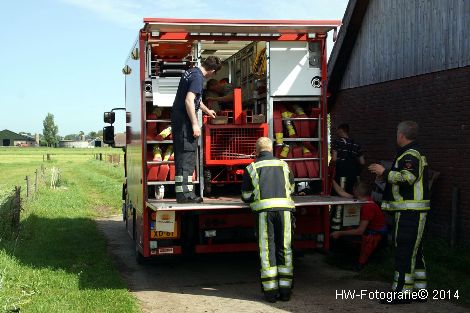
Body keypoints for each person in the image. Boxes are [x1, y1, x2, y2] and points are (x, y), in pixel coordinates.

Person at [369, 120, 429, 304]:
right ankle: (419, 290)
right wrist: (385, 176)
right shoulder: (409, 153)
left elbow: (408, 178)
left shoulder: (410, 155)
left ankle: (402, 292)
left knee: (404, 251)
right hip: (411, 212)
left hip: (409, 212)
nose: (396, 135)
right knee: (414, 251)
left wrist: (385, 172)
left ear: (401, 135)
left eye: (396, 132)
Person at [241, 137, 295, 303]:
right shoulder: (284, 165)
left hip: (264, 213)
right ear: (272, 149)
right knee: (285, 248)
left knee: (267, 251)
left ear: (257, 151)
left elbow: (246, 196)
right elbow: (291, 188)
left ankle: (271, 293)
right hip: (285, 211)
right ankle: (286, 291)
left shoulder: (251, 167)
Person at [171, 56, 221, 203]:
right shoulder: (198, 78)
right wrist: (194, 123)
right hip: (185, 125)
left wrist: (207, 111)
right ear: (212, 70)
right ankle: (185, 195)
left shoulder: (191, 72)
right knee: (186, 158)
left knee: (184, 158)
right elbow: (189, 100)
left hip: (180, 122)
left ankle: (184, 194)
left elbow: (196, 100)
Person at [330, 182, 387, 271]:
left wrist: (339, 233)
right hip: (373, 232)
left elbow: (360, 231)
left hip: (376, 236)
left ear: (356, 191)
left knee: (346, 237)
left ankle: (359, 264)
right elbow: (342, 193)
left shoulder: (368, 206)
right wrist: (331, 179)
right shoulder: (364, 199)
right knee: (348, 232)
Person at [331, 123, 365, 194]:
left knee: (339, 194)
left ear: (341, 130)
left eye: (338, 131)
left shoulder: (337, 142)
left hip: (341, 173)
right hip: (354, 174)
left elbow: (334, 158)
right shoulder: (356, 144)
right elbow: (362, 162)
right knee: (352, 194)